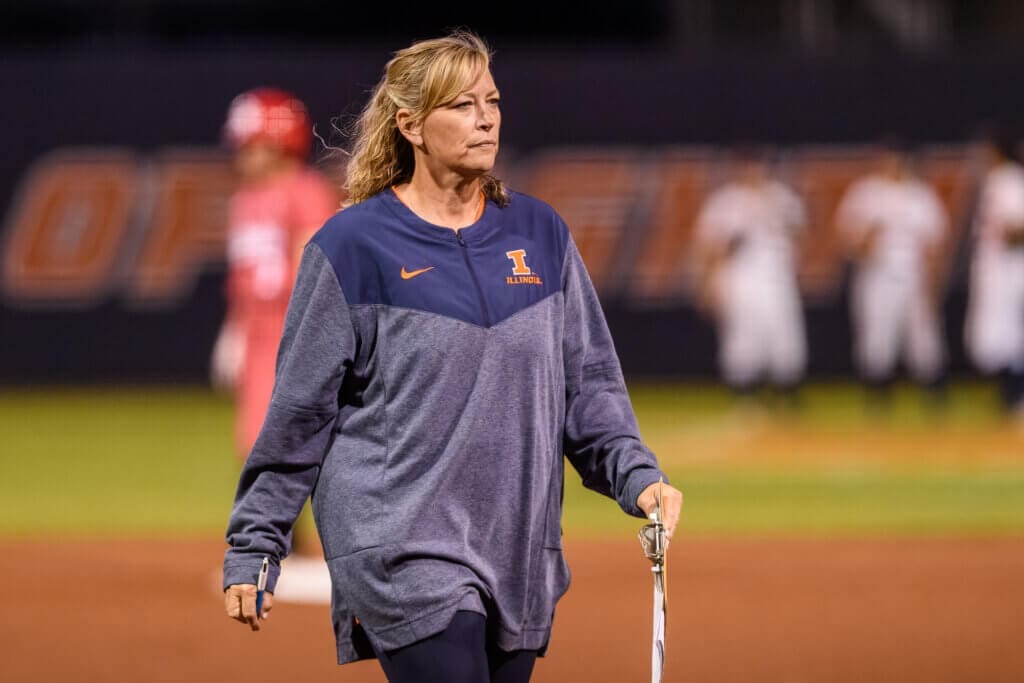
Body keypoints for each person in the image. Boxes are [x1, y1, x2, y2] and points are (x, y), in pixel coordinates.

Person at [221, 30, 683, 682]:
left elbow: (588, 383)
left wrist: (636, 475)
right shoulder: (353, 246)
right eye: (462, 105)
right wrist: (256, 542)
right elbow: (301, 408)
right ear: (410, 123)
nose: (486, 117)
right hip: (400, 544)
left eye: (491, 100)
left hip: (519, 545)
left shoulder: (540, 234)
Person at [212, 87, 339, 601]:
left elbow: (315, 270)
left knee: (302, 442)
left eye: (252, 143)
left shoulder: (305, 191)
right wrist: (235, 329)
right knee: (256, 443)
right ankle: (292, 546)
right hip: (259, 330)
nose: (243, 154)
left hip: (296, 329)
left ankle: (328, 550)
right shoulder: (243, 200)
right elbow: (244, 276)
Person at [835, 142, 950, 405]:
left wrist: (933, 281)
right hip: (877, 273)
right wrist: (867, 238)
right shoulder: (866, 193)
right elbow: (847, 240)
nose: (893, 165)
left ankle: (934, 397)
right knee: (876, 336)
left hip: (914, 274)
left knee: (923, 337)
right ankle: (877, 397)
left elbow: (934, 244)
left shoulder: (919, 194)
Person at [692, 147, 808, 405]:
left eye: (758, 164)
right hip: (742, 279)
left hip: (778, 278)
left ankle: (787, 399)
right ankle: (746, 400)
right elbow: (708, 247)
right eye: (748, 165)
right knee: (743, 340)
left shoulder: (782, 198)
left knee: (785, 339)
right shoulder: (726, 202)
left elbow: (801, 238)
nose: (754, 170)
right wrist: (707, 283)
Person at [964, 131, 1024, 417]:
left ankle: (1015, 399)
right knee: (999, 340)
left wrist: (1006, 234)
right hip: (1000, 270)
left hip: (1011, 271)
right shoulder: (996, 181)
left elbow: (1017, 230)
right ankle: (1009, 400)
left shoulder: (1009, 180)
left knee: (1010, 338)